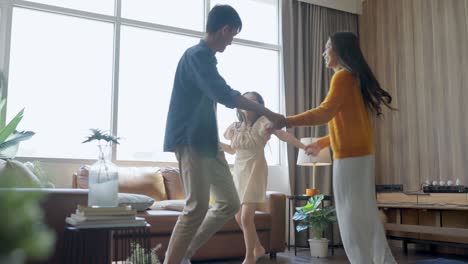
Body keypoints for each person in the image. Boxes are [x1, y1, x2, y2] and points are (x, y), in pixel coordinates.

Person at [163, 5, 286, 264]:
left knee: (229, 203)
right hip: (191, 139)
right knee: (196, 206)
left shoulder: (206, 58)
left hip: (208, 142)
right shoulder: (196, 55)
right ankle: (172, 260)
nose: (231, 42)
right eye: (233, 36)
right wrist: (270, 113)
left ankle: (182, 253)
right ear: (225, 29)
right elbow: (225, 94)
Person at [270, 32, 397, 264]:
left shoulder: (342, 77)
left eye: (327, 47)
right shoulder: (353, 78)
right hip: (360, 154)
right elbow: (347, 122)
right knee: (364, 215)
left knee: (351, 217)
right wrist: (323, 142)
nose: (323, 52)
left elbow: (324, 112)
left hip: (351, 157)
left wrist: (287, 120)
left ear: (339, 51)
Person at [221, 91, 305, 264]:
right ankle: (258, 248)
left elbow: (282, 134)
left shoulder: (264, 122)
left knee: (246, 217)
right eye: (245, 99)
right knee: (238, 217)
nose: (247, 102)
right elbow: (232, 150)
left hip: (255, 170)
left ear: (258, 105)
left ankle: (250, 256)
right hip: (239, 171)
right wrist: (212, 142)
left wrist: (303, 146)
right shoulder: (235, 126)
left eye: (252, 100)